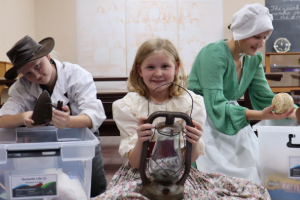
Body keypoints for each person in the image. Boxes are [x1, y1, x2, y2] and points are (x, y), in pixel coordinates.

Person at [91, 38, 271, 199]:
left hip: (180, 175)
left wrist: (194, 140)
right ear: (139, 70)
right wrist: (141, 140)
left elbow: (189, 158)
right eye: (150, 67)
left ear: (176, 67)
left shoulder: (193, 102)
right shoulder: (126, 106)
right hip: (139, 175)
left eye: (165, 66)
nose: (158, 73)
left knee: (254, 193)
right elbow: (136, 163)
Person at [188, 3, 297, 185]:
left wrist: (294, 112)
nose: (261, 43)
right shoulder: (214, 54)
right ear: (242, 31)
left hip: (232, 118)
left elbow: (264, 96)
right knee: (217, 179)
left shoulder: (253, 59)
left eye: (265, 37)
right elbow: (214, 105)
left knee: (254, 173)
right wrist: (260, 115)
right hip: (202, 121)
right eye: (257, 36)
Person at [0, 35, 107, 197]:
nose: (36, 75)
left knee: (95, 187)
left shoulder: (77, 76)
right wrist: (22, 117)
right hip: (44, 141)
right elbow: (3, 119)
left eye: (38, 66)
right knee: (47, 186)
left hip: (81, 140)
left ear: (48, 57)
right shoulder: (21, 87)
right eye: (27, 73)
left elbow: (93, 116)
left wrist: (69, 121)